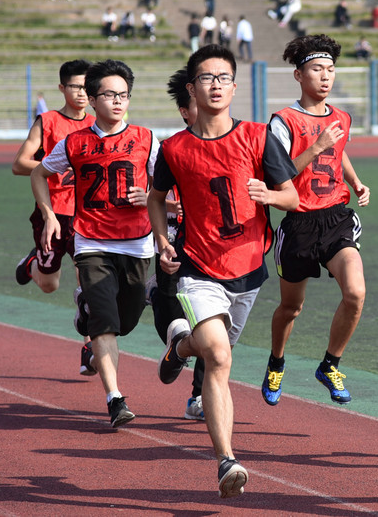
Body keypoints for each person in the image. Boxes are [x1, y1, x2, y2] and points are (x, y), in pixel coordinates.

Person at [148, 44, 299, 498]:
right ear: (192, 88)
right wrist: (161, 239)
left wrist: (267, 195)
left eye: (223, 77)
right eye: (206, 78)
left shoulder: (257, 137)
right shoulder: (173, 148)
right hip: (197, 266)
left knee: (210, 349)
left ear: (234, 86)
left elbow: (292, 197)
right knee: (219, 358)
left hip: (248, 268)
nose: (215, 84)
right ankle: (226, 460)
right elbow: (157, 198)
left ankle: (178, 347)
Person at [31, 59, 158, 429]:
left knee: (127, 321)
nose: (118, 101)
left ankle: (85, 305)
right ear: (92, 97)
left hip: (136, 244)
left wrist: (149, 196)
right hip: (91, 243)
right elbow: (40, 172)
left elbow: (168, 188)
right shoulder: (74, 142)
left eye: (124, 95)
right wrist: (50, 214)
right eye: (110, 94)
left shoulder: (148, 139)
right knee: (105, 325)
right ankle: (115, 398)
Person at [261, 34, 371, 407]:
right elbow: (279, 176)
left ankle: (330, 363)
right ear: (298, 75)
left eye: (330, 70)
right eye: (316, 69)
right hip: (298, 222)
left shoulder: (341, 117)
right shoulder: (283, 121)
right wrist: (317, 146)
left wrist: (355, 182)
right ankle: (276, 362)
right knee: (292, 307)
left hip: (337, 218)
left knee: (355, 292)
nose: (325, 77)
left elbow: (339, 151)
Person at [12, 61, 96, 373]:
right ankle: (34, 262)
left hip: (88, 214)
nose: (82, 92)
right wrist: (54, 165)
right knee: (49, 284)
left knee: (89, 278)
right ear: (62, 88)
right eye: (75, 86)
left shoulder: (97, 123)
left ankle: (90, 346)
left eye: (87, 86)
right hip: (52, 212)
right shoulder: (47, 121)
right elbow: (20, 164)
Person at [145, 69, 208, 421]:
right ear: (185, 111)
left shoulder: (237, 140)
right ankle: (156, 298)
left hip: (216, 248)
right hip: (175, 240)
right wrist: (163, 231)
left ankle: (199, 395)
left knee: (213, 326)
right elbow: (152, 194)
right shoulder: (170, 148)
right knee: (177, 318)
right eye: (197, 103)